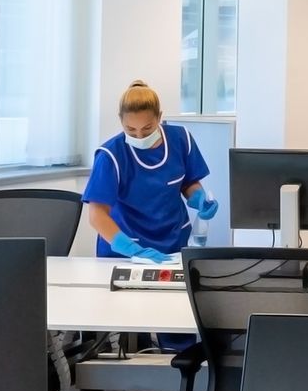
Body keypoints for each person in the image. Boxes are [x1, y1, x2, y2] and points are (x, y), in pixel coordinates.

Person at [83, 81, 217, 262]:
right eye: (130, 129)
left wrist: (199, 199)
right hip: (125, 249)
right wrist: (132, 250)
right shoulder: (110, 156)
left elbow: (187, 183)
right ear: (120, 120)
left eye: (147, 129)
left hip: (175, 244)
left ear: (159, 117)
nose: (139, 136)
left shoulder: (180, 139)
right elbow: (97, 214)